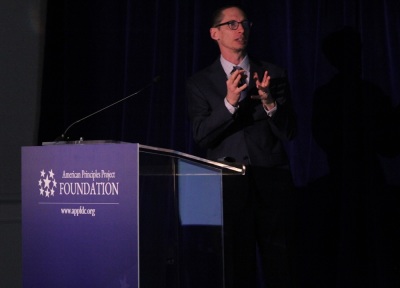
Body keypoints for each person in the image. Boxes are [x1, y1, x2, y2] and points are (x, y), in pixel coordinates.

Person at [186, 5, 297, 288]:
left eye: (245, 23)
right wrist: (230, 102)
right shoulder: (200, 83)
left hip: (271, 183)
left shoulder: (273, 73)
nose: (241, 29)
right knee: (235, 267)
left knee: (280, 264)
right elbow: (201, 135)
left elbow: (289, 132)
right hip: (227, 188)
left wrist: (270, 102)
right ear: (215, 33)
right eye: (232, 24)